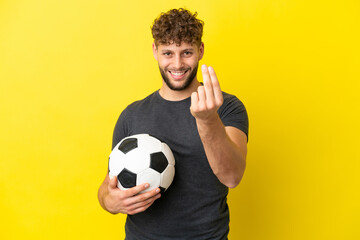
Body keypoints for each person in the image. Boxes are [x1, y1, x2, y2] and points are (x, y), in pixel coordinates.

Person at [98, 8, 249, 240]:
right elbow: (108, 186)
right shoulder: (131, 115)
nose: (177, 64)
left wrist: (208, 120)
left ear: (200, 51)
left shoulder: (226, 107)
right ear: (155, 52)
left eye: (186, 52)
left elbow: (232, 177)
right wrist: (110, 201)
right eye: (168, 53)